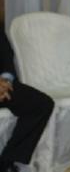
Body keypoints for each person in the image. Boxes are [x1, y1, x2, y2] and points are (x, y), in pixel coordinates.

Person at [0, 27, 54, 172]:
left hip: (3, 86)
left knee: (42, 104)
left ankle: (7, 160)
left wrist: (5, 81)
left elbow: (6, 55)